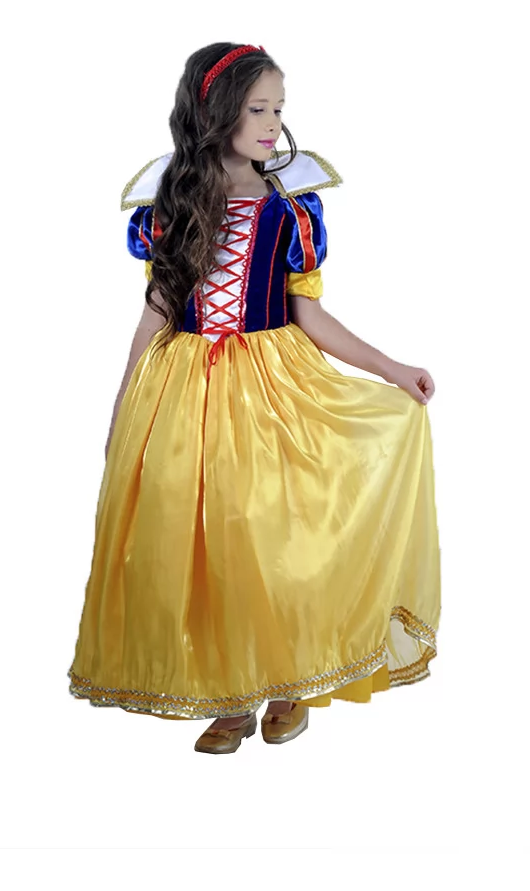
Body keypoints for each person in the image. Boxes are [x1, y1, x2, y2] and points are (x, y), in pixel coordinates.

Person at [67, 42, 441, 755]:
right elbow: (156, 312)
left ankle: (288, 679)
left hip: (274, 388)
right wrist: (123, 408)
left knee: (275, 536)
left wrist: (391, 368)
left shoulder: (288, 207)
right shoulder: (172, 203)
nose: (272, 124)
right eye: (257, 109)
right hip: (184, 393)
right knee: (208, 546)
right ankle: (232, 696)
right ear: (215, 113)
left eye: (278, 109)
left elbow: (308, 313)